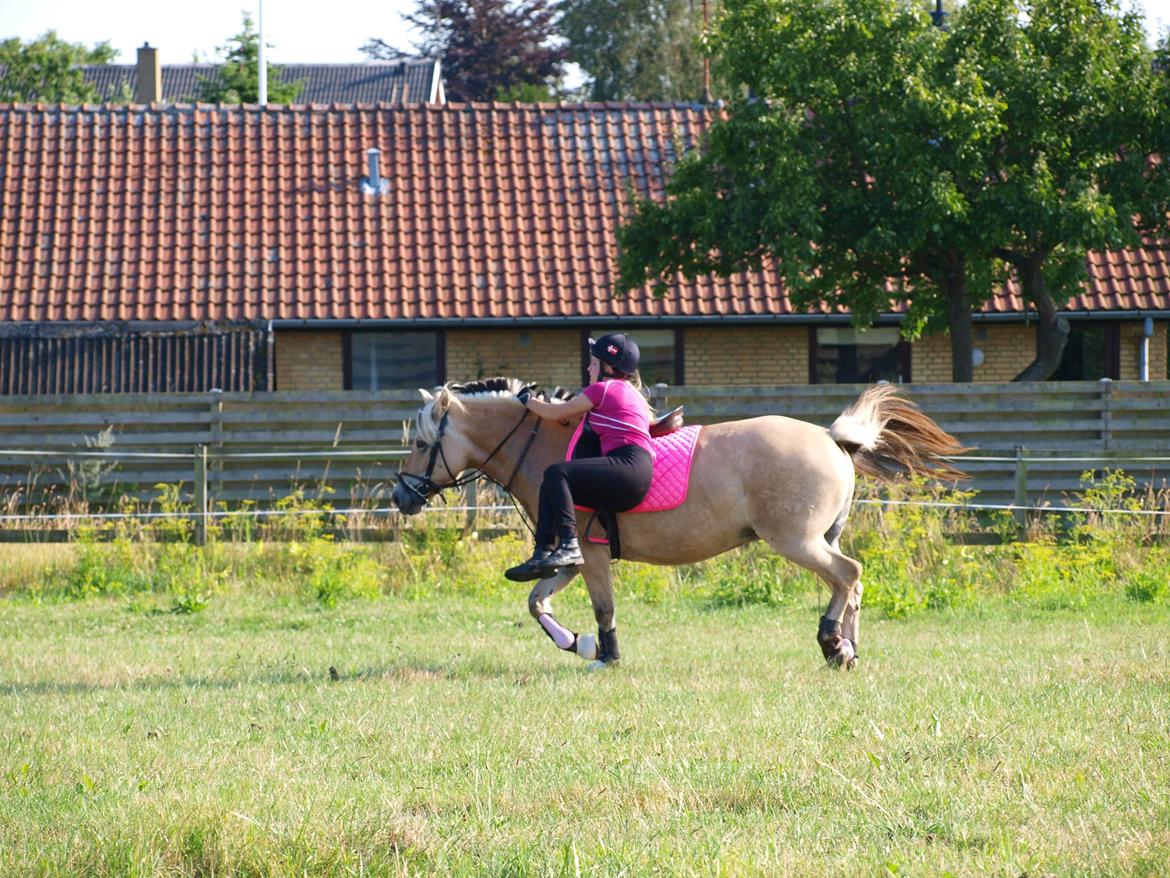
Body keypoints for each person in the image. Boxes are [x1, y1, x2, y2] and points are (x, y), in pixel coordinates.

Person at [504, 333, 655, 582]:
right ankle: (542, 553)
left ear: (609, 367)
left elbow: (557, 413)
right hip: (635, 471)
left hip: (627, 465)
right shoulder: (629, 392)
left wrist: (527, 401)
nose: (588, 367)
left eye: (594, 363)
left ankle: (569, 545)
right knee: (550, 486)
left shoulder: (602, 390)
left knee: (557, 472)